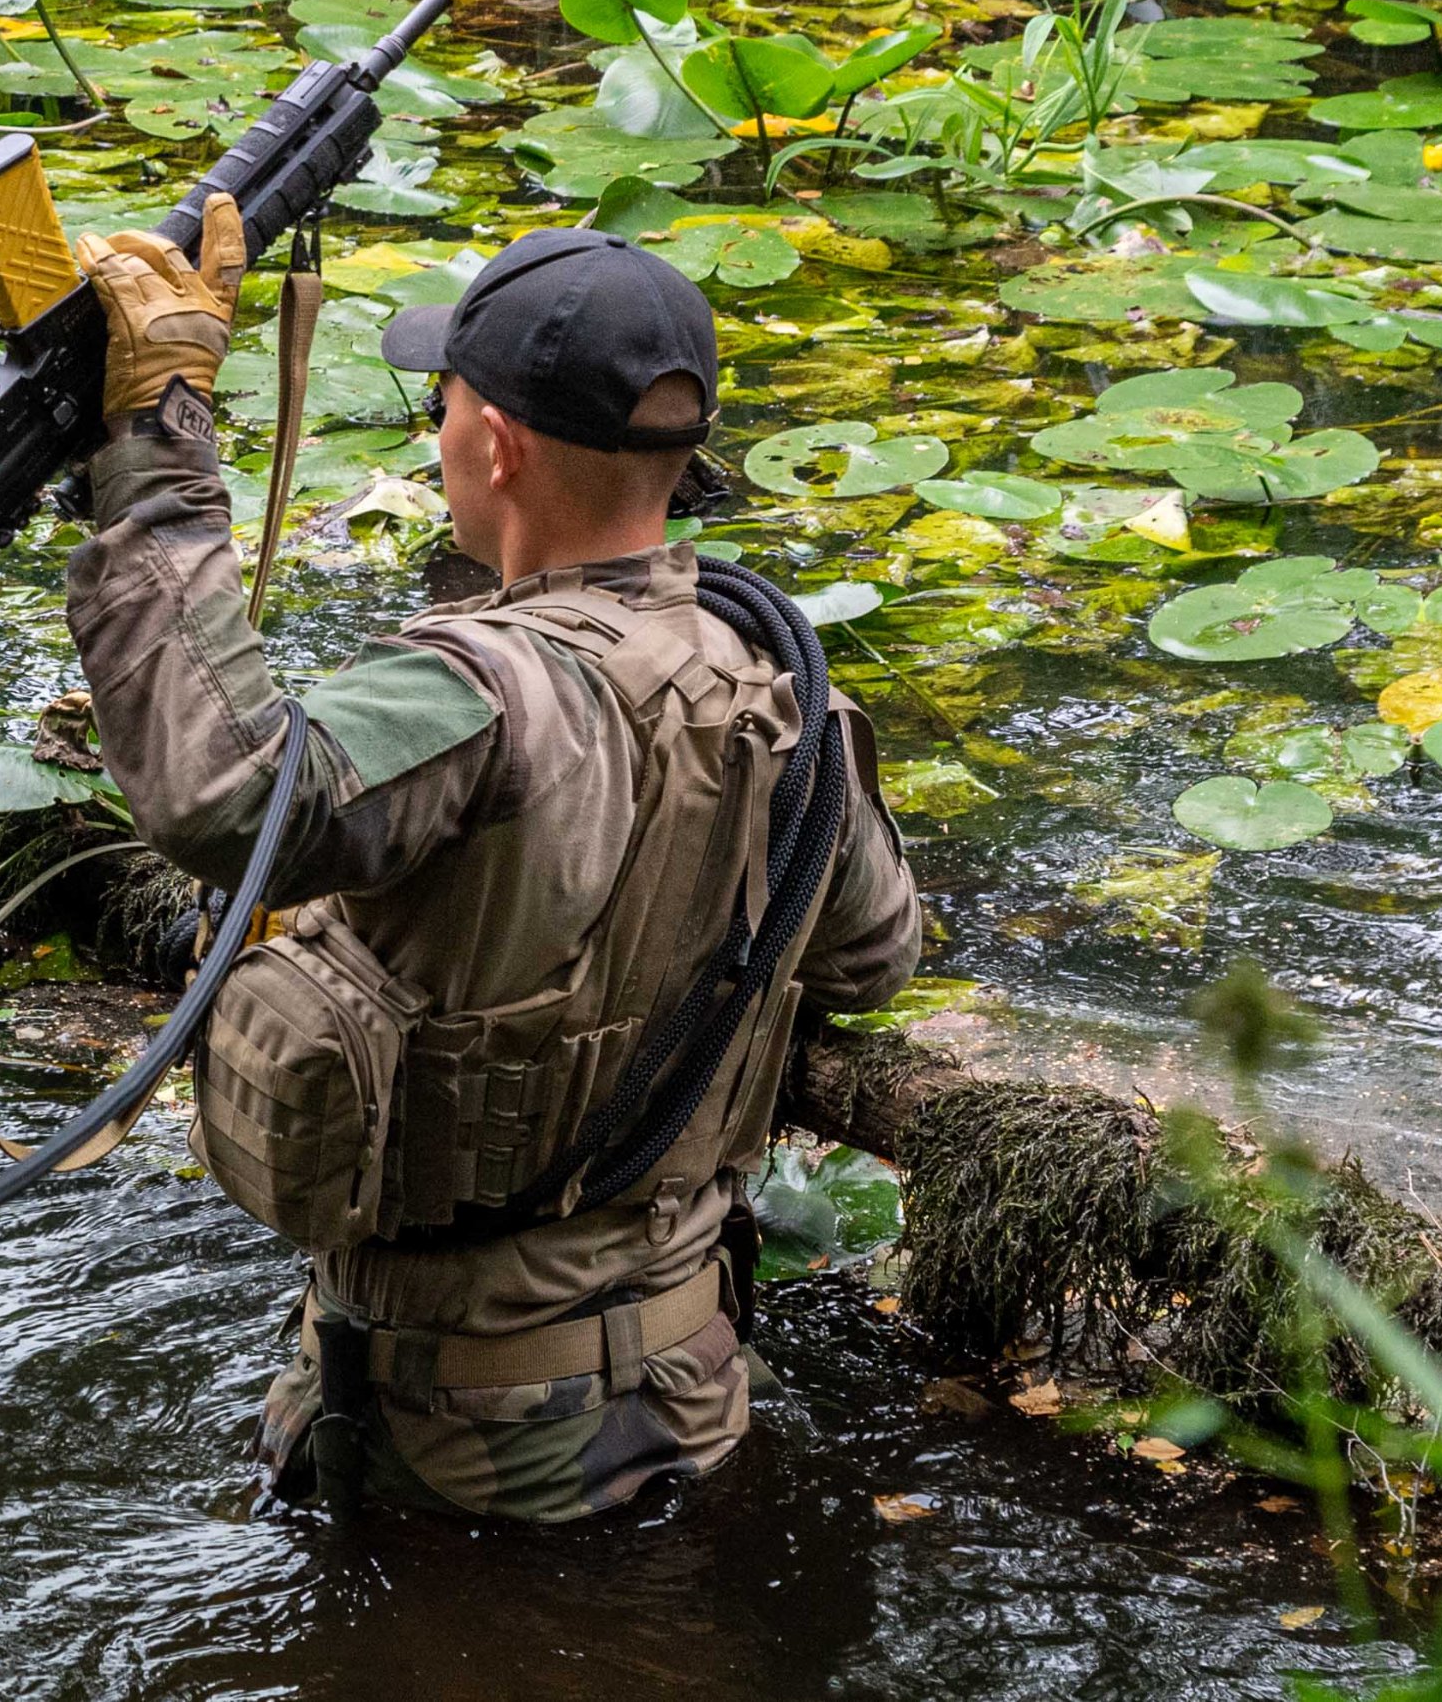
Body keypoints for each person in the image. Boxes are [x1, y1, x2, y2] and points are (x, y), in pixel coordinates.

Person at [60, 203, 922, 1523]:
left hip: (450, 1436)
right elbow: (874, 950)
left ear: (497, 444)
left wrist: (158, 470)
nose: (438, 431)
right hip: (682, 1395)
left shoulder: (476, 692)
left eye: (444, 405)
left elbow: (233, 788)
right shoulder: (782, 690)